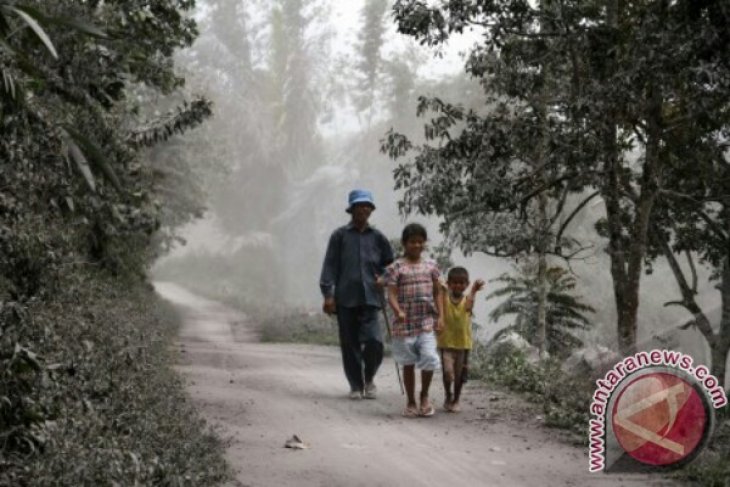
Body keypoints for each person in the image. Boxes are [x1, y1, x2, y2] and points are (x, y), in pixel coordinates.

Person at [319, 189, 394, 399]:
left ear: (371, 210)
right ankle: (355, 385)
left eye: (367, 205)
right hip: (346, 298)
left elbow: (391, 264)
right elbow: (330, 267)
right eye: (359, 205)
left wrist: (384, 277)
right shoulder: (339, 236)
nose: (364, 209)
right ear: (351, 209)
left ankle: (369, 378)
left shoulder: (378, 237)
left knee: (375, 342)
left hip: (371, 297)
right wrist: (328, 295)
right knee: (349, 343)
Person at [385, 223, 443, 417]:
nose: (416, 245)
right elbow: (391, 294)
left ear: (424, 243)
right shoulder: (396, 268)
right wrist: (397, 310)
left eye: (420, 242)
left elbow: (437, 293)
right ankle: (410, 401)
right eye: (412, 242)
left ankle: (424, 396)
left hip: (426, 322)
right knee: (408, 363)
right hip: (404, 325)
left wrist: (441, 317)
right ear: (404, 243)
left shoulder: (431, 266)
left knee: (429, 357)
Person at [438, 267, 485, 412]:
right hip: (446, 343)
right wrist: (441, 286)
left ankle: (456, 399)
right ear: (449, 283)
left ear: (466, 284)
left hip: (462, 344)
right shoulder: (444, 298)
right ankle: (448, 395)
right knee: (447, 373)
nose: (458, 286)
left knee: (458, 376)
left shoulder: (467, 299)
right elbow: (439, 294)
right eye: (455, 283)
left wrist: (474, 290)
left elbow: (469, 306)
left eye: (461, 283)